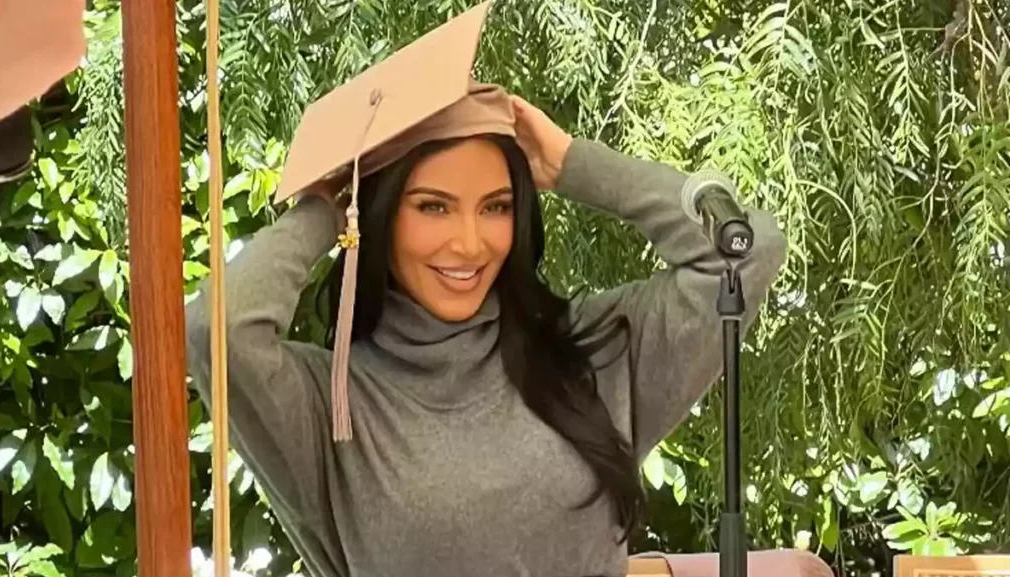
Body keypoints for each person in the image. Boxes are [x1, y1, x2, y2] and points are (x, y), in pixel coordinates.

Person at [184, 5, 787, 577]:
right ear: (384, 215)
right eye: (433, 207)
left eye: (495, 207)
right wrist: (334, 202)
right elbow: (215, 330)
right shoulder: (331, 406)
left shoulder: (592, 353)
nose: (469, 244)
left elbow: (745, 252)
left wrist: (572, 163)